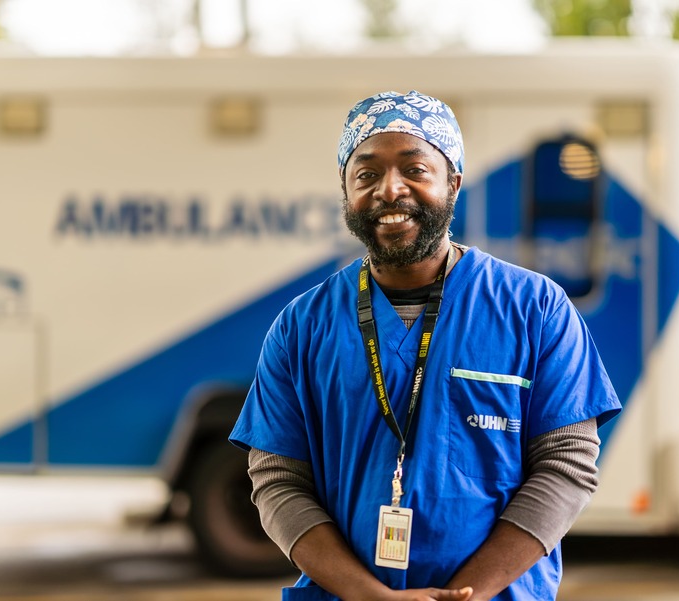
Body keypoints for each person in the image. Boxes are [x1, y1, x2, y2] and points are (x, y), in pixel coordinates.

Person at [229, 90, 621, 601]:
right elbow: (278, 481)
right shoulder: (302, 327)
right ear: (346, 192)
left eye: (414, 169)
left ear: (453, 183)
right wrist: (373, 597)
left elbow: (566, 464)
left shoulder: (535, 309)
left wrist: (468, 593)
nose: (390, 190)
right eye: (366, 174)